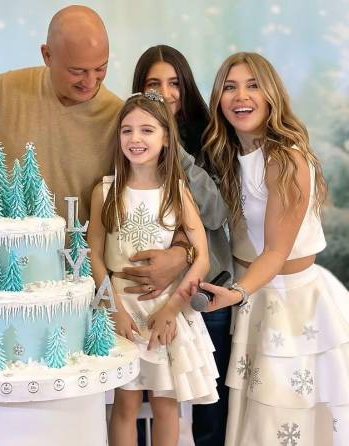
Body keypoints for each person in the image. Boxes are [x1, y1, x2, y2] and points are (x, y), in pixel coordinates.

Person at [0, 6, 192, 302]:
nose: (91, 82)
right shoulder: (0, 93)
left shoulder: (123, 121)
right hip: (6, 286)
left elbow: (172, 190)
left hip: (81, 284)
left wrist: (182, 252)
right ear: (47, 55)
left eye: (101, 69)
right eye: (77, 71)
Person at [200, 52, 349, 445]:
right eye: (230, 87)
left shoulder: (285, 159)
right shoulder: (230, 156)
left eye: (253, 86)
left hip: (292, 305)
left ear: (271, 95)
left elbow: (275, 252)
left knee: (283, 420)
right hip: (254, 296)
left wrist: (235, 292)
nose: (240, 96)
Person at [88, 91, 219, 446]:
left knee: (165, 404)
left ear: (166, 139)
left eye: (147, 130)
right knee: (125, 403)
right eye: (127, 130)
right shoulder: (105, 191)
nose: (135, 138)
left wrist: (172, 309)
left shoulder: (177, 191)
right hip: (122, 310)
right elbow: (94, 255)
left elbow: (201, 258)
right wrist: (113, 309)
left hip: (165, 311)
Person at [130, 44, 233, 445]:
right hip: (150, 298)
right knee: (144, 399)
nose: (165, 93)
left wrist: (175, 149)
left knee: (208, 406)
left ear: (186, 87)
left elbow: (216, 214)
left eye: (174, 83)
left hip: (203, 292)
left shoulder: (209, 140)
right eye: (153, 84)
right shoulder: (132, 141)